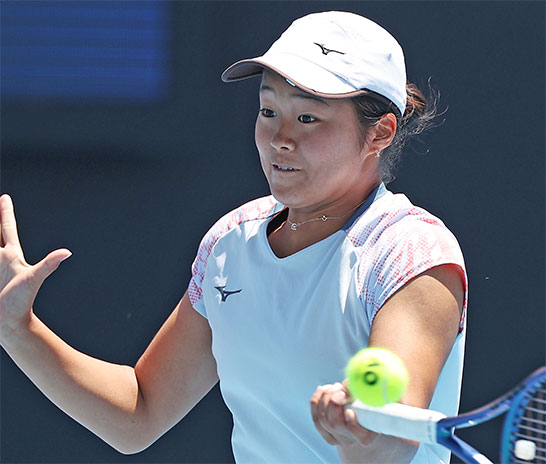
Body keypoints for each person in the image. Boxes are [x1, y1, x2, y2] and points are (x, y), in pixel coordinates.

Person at [0, 11, 466, 464]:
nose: (280, 138)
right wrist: (18, 330)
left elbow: (393, 444)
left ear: (380, 133)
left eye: (308, 118)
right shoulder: (230, 242)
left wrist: (358, 430)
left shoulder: (410, 252)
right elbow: (140, 413)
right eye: (269, 111)